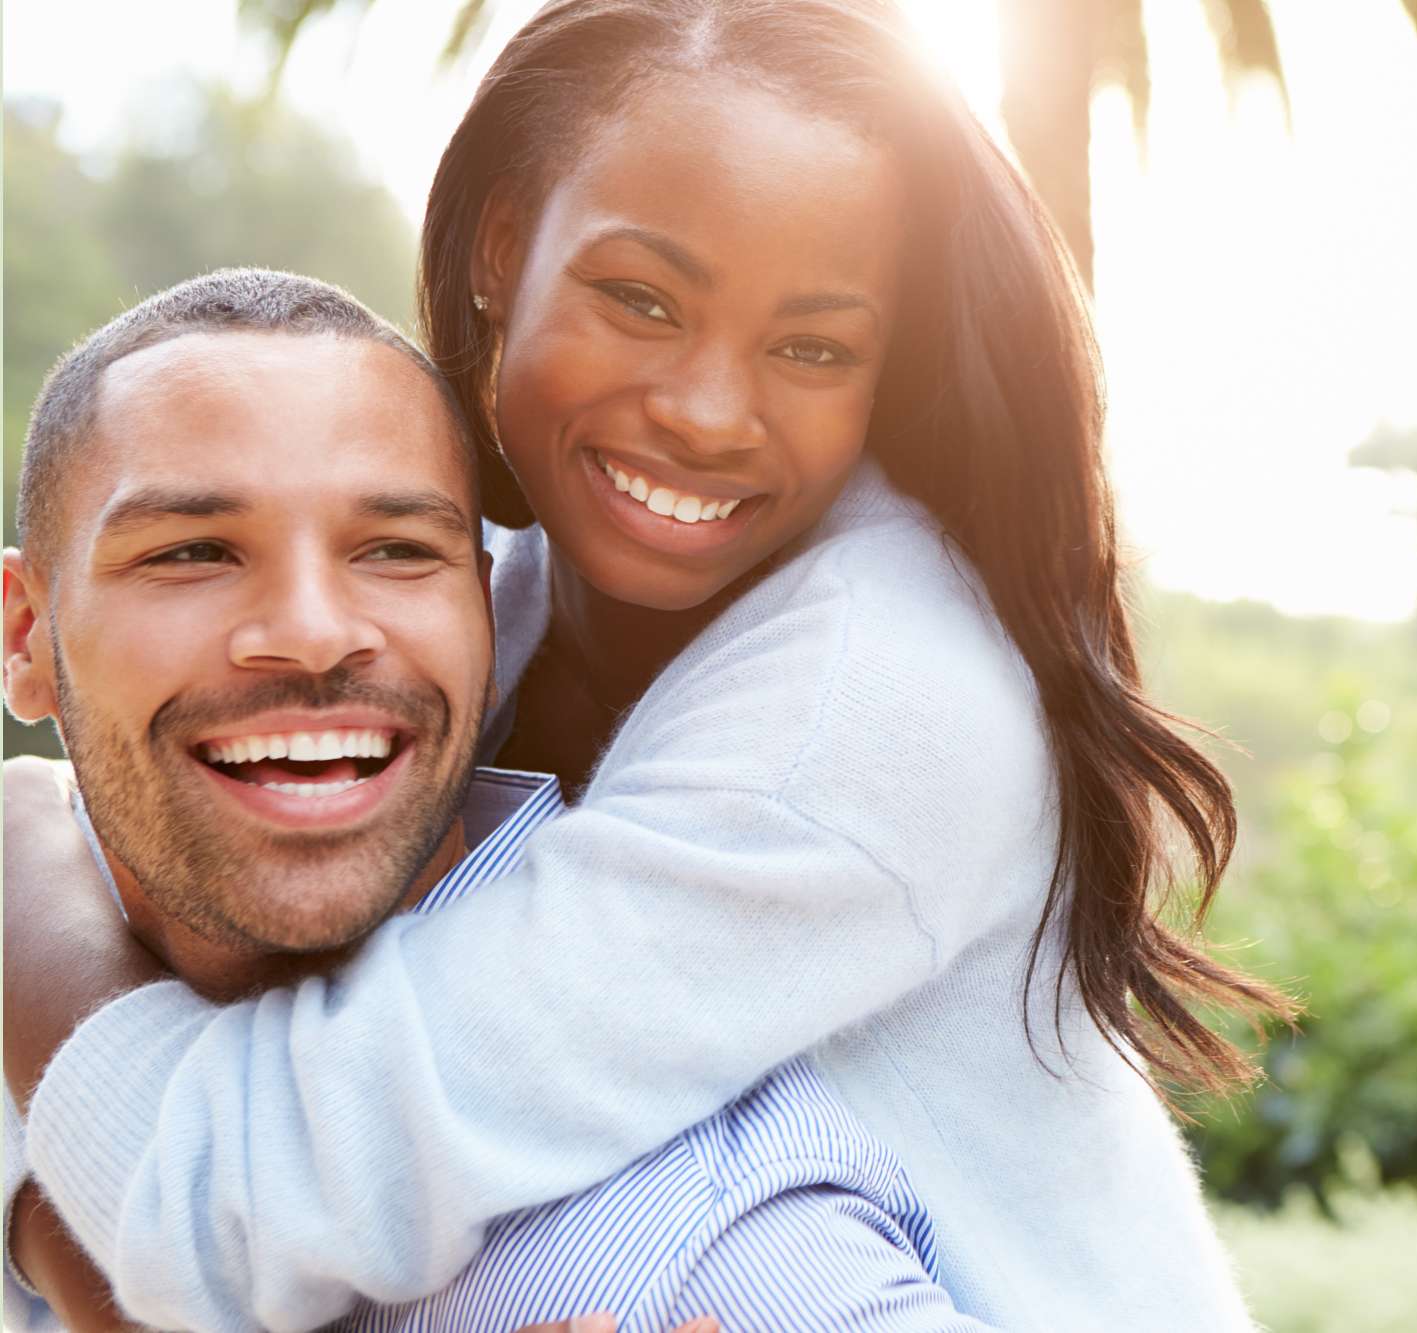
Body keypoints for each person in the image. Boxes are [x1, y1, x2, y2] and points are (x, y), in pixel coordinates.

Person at [3, 2, 1292, 1328]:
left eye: (813, 348)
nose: (706, 412)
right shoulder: (482, 593)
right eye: (641, 299)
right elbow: (166, 1061)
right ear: (502, 247)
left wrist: (22, 875)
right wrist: (56, 1223)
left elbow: (244, 1197)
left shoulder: (874, 700)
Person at [2, 269, 983, 1333]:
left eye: (394, 551)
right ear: (25, 638)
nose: (315, 629)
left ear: (481, 599)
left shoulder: (705, 1232)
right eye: (193, 552)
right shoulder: (60, 987)